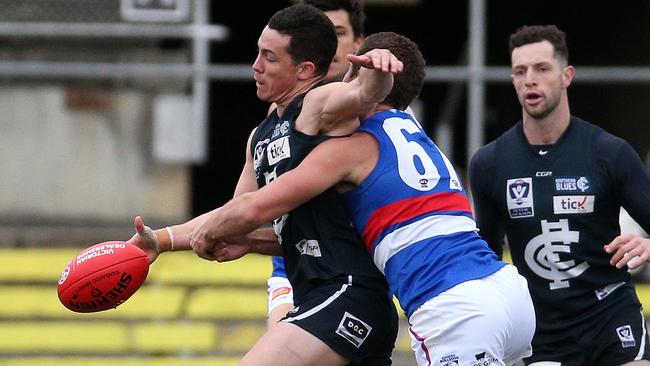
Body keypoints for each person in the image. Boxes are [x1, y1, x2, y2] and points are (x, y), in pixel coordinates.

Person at [189, 32, 536, 366]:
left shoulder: (352, 149)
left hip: (454, 303)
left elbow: (257, 205)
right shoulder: (417, 135)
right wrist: (250, 242)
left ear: (359, 78)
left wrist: (207, 233)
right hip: (507, 290)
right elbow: (333, 235)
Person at [129, 4, 404, 366]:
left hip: (348, 292)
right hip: (317, 297)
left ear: (305, 70)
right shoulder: (259, 137)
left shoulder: (317, 103)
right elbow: (234, 212)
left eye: (269, 58)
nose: (255, 66)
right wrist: (160, 240)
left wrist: (379, 68)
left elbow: (363, 93)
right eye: (258, 52)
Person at [469, 24, 650, 365]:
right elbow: (486, 259)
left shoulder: (609, 153)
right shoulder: (490, 164)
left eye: (541, 68)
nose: (530, 79)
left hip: (610, 315)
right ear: (512, 81)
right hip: (544, 332)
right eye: (520, 71)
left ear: (567, 75)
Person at [266, 0, 367, 328]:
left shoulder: (374, 114)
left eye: (337, 33)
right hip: (290, 267)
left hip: (350, 277)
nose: (328, 44)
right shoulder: (276, 115)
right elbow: (248, 208)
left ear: (359, 43)